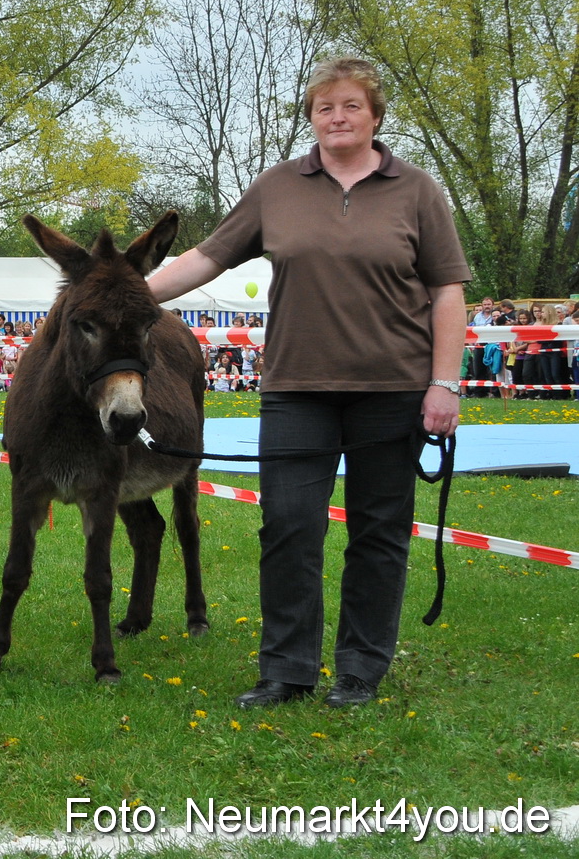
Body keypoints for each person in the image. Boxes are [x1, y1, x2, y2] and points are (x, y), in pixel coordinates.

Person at [147, 56, 468, 711]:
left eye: (350, 105)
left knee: (378, 533)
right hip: (295, 391)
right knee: (288, 526)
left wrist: (445, 383)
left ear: (375, 116)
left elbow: (446, 293)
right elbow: (205, 258)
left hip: (394, 392)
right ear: (311, 118)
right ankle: (286, 669)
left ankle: (358, 670)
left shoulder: (417, 191)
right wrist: (122, 292)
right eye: (324, 107)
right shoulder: (277, 188)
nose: (337, 117)